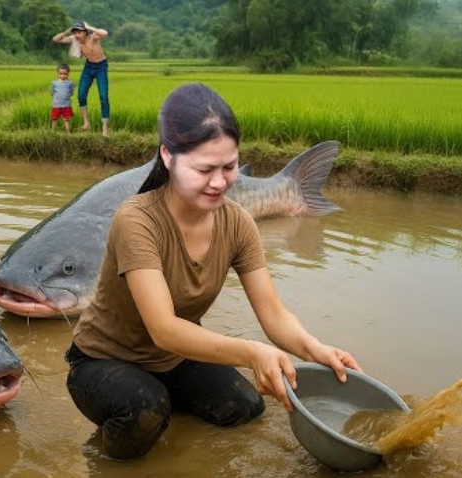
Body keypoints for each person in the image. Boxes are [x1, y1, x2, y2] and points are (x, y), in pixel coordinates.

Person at [64, 82, 362, 460]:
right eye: (205, 169)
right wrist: (252, 353)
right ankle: (103, 458)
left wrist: (318, 350)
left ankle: (168, 402)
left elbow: (273, 314)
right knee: (144, 410)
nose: (220, 182)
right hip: (103, 361)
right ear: (168, 157)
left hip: (173, 359)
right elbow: (164, 328)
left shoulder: (237, 223)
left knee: (245, 407)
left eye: (230, 166)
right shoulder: (136, 220)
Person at [52, 21, 110, 137]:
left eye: (79, 32)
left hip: (101, 67)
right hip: (89, 66)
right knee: (81, 95)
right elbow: (56, 39)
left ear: (85, 32)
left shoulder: (93, 37)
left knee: (103, 96)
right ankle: (86, 123)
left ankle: (105, 129)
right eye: (75, 32)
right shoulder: (74, 39)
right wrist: (68, 31)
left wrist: (89, 26)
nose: (77, 35)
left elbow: (105, 33)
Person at [51, 63, 75, 133]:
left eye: (65, 74)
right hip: (56, 105)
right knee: (54, 119)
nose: (62, 75)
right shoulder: (54, 83)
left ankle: (68, 132)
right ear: (58, 73)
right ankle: (52, 132)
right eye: (60, 74)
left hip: (66, 105)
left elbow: (71, 93)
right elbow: (52, 92)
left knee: (66, 120)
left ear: (68, 73)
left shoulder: (70, 83)